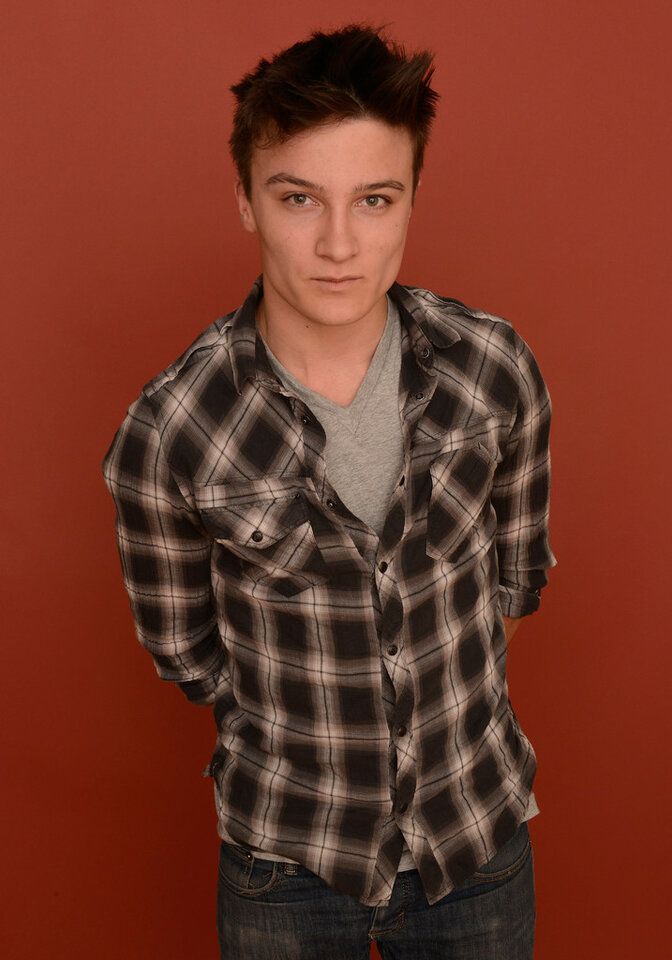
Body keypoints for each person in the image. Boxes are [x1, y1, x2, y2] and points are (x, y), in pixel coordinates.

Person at [101, 21, 556, 960]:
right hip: (286, 861)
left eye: (374, 199)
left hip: (475, 838)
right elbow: (189, 654)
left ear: (413, 197)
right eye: (299, 197)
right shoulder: (170, 428)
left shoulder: (494, 370)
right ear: (246, 200)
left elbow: (514, 586)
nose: (339, 243)